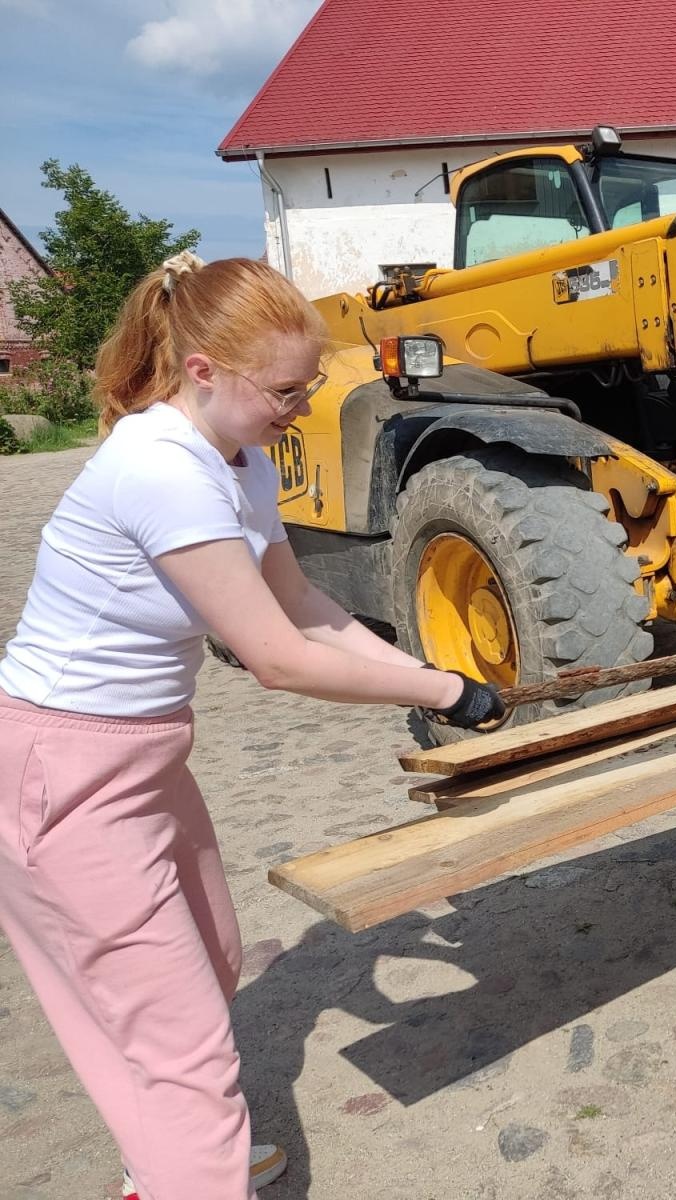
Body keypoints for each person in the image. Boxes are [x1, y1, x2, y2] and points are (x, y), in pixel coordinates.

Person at [0, 253, 505, 1198]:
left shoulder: (239, 462)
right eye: (284, 388)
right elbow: (274, 657)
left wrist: (436, 674)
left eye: (307, 383)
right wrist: (440, 700)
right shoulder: (160, 468)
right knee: (180, 1042)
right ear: (202, 372)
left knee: (214, 954)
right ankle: (186, 1170)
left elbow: (305, 604)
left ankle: (177, 1157)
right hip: (58, 767)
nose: (300, 404)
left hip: (143, 755)